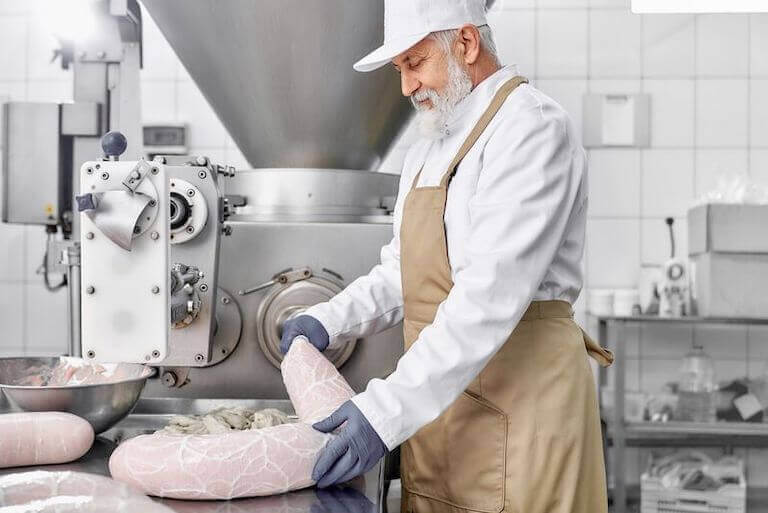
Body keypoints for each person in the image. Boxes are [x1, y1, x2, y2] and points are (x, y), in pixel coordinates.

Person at [281, 1, 614, 511]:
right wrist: (325, 320)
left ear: (466, 42)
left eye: (415, 64)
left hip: (522, 407)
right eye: (399, 71)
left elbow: (488, 298)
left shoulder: (531, 128)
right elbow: (402, 270)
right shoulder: (430, 144)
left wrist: (382, 412)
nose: (405, 88)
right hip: (441, 409)